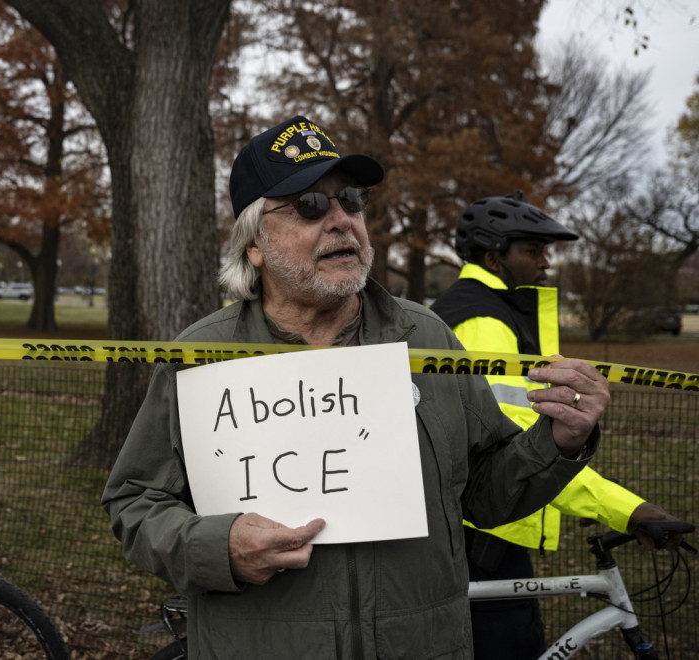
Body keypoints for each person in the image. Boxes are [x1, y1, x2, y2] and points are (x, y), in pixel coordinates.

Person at [100, 116, 612, 659]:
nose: (342, 220)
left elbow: (485, 492)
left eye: (350, 200)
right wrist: (217, 548)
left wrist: (558, 443)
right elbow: (135, 501)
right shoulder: (201, 356)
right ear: (254, 245)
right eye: (309, 206)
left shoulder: (426, 338)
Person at [430, 192, 680, 660]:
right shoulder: (483, 321)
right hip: (483, 533)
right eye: (533, 250)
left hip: (481, 527)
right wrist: (626, 509)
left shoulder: (488, 309)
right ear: (493, 258)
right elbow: (521, 446)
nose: (546, 262)